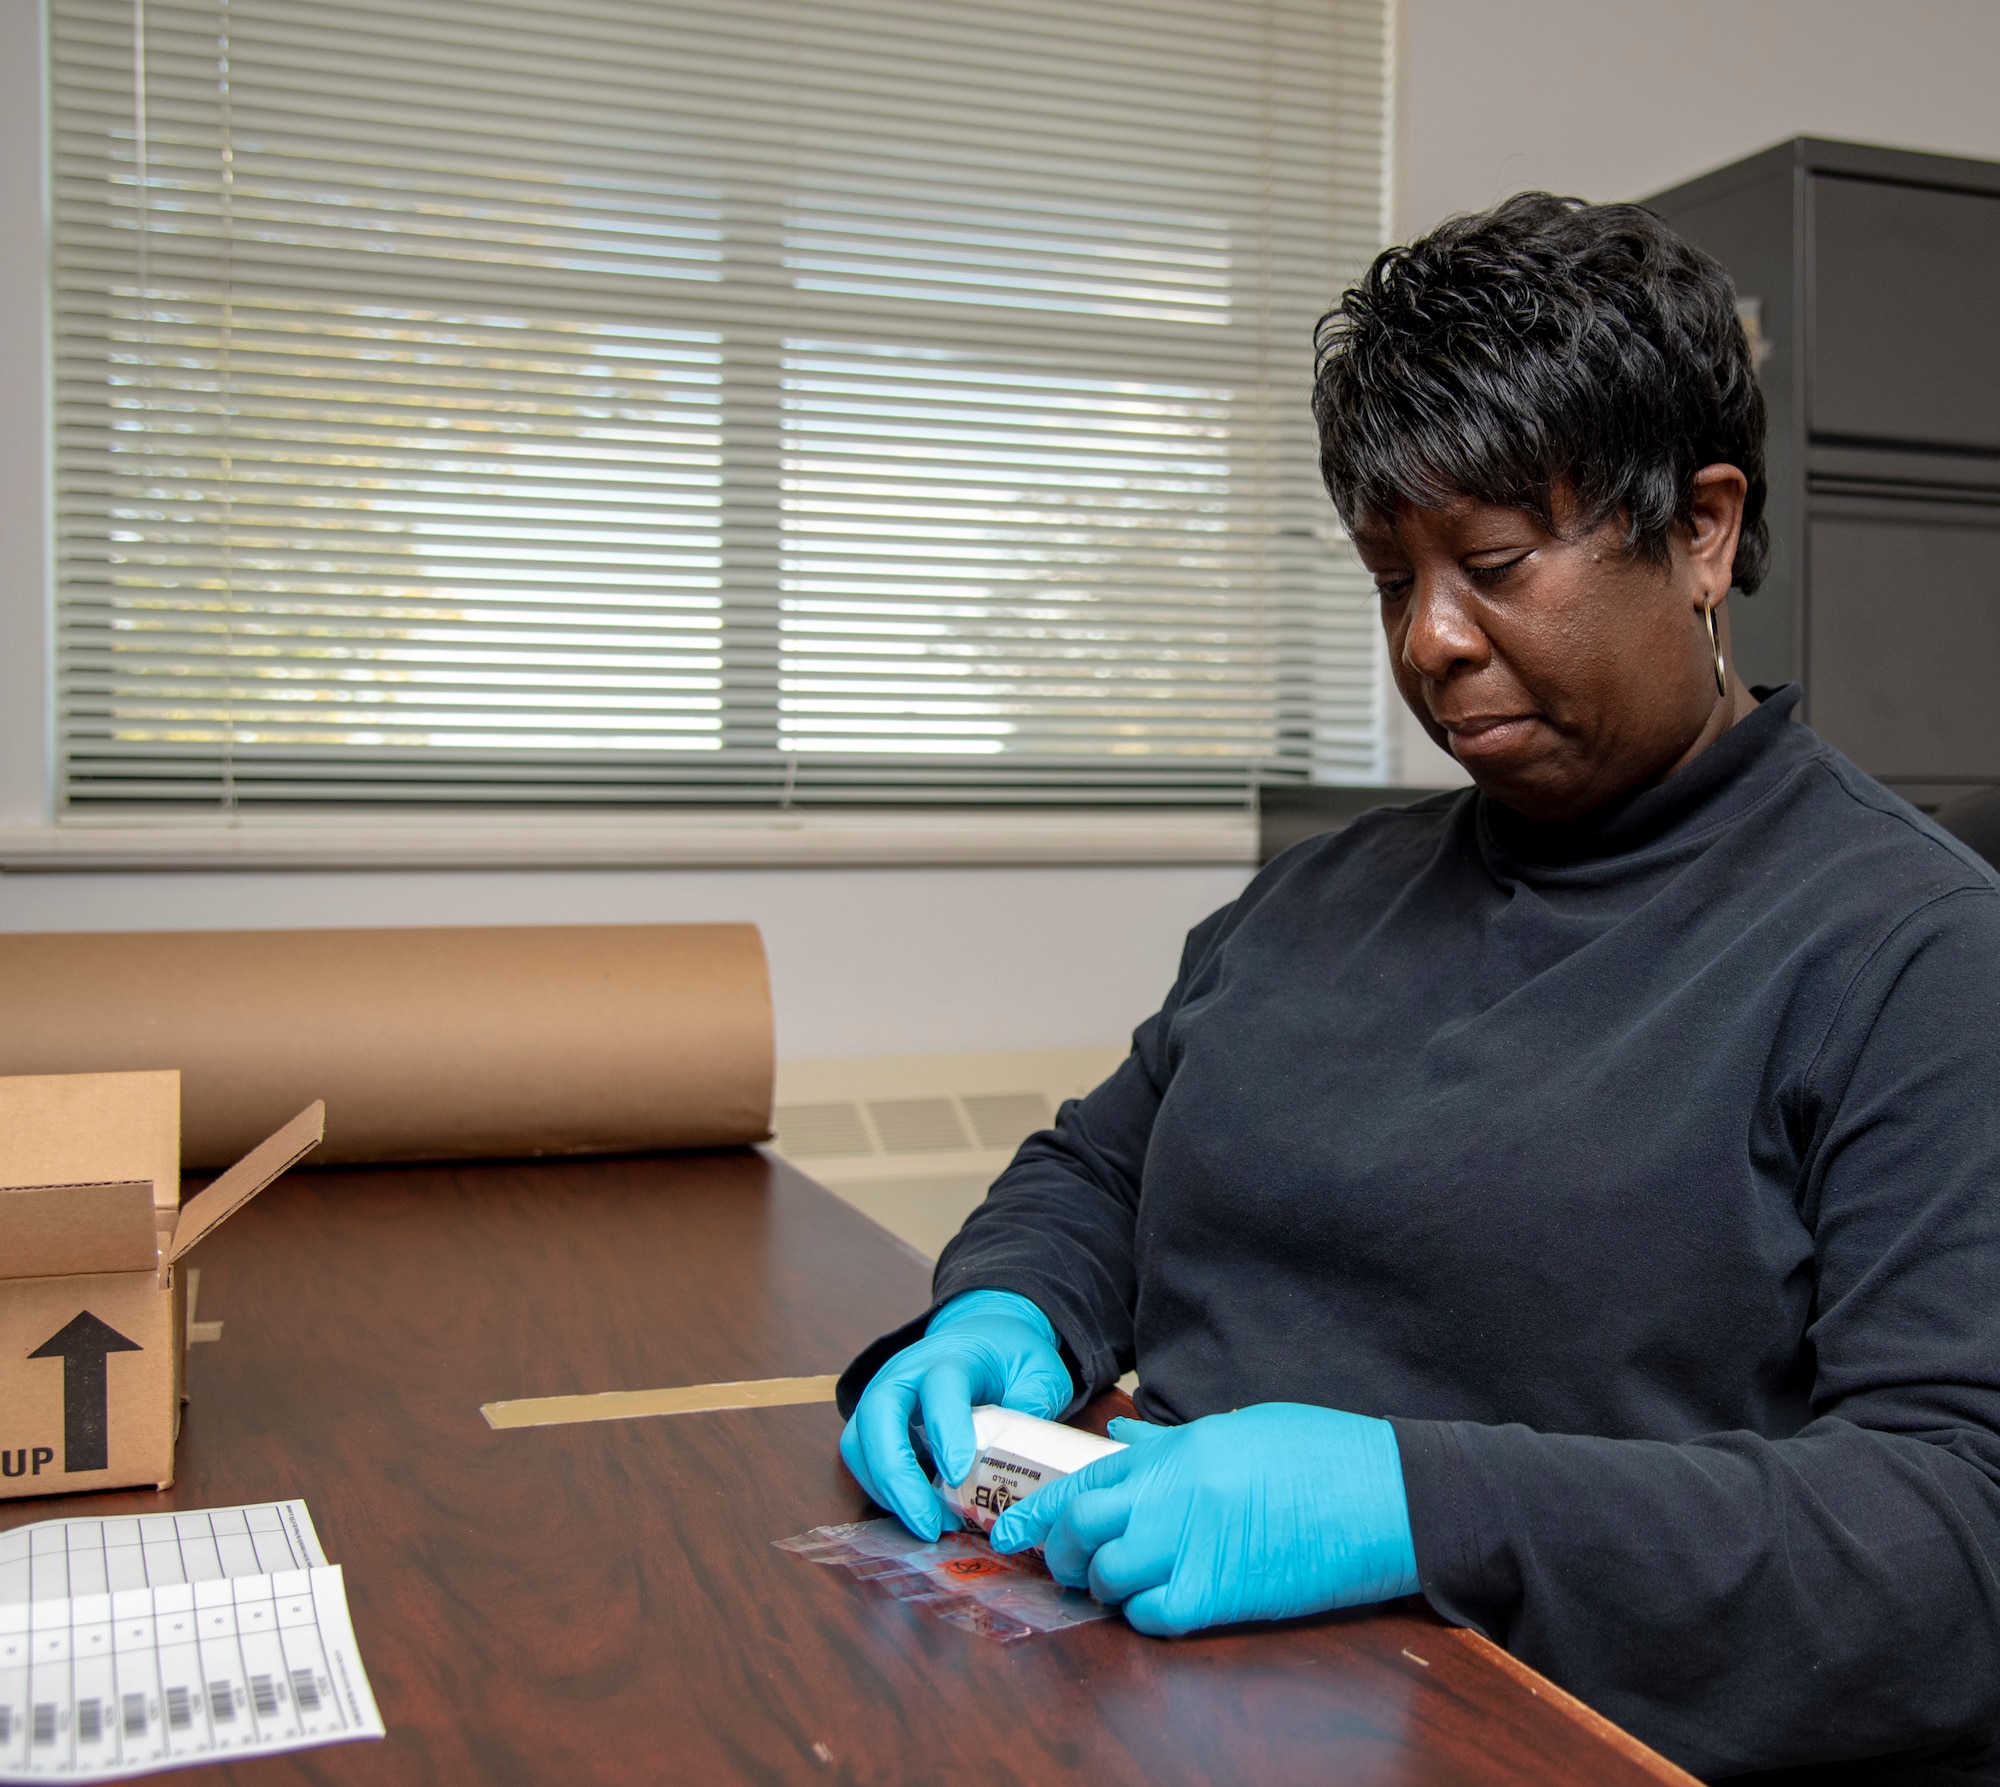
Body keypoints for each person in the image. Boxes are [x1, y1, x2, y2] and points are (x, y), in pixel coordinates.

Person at [834, 194, 2000, 1783]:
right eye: (1393, 578)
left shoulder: (1915, 955)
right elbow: (1103, 1167)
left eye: (1497, 563)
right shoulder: (1319, 894)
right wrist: (1008, 1306)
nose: (1434, 641)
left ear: (1706, 532)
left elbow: (1948, 1545)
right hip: (1135, 1686)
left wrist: (1414, 1506)